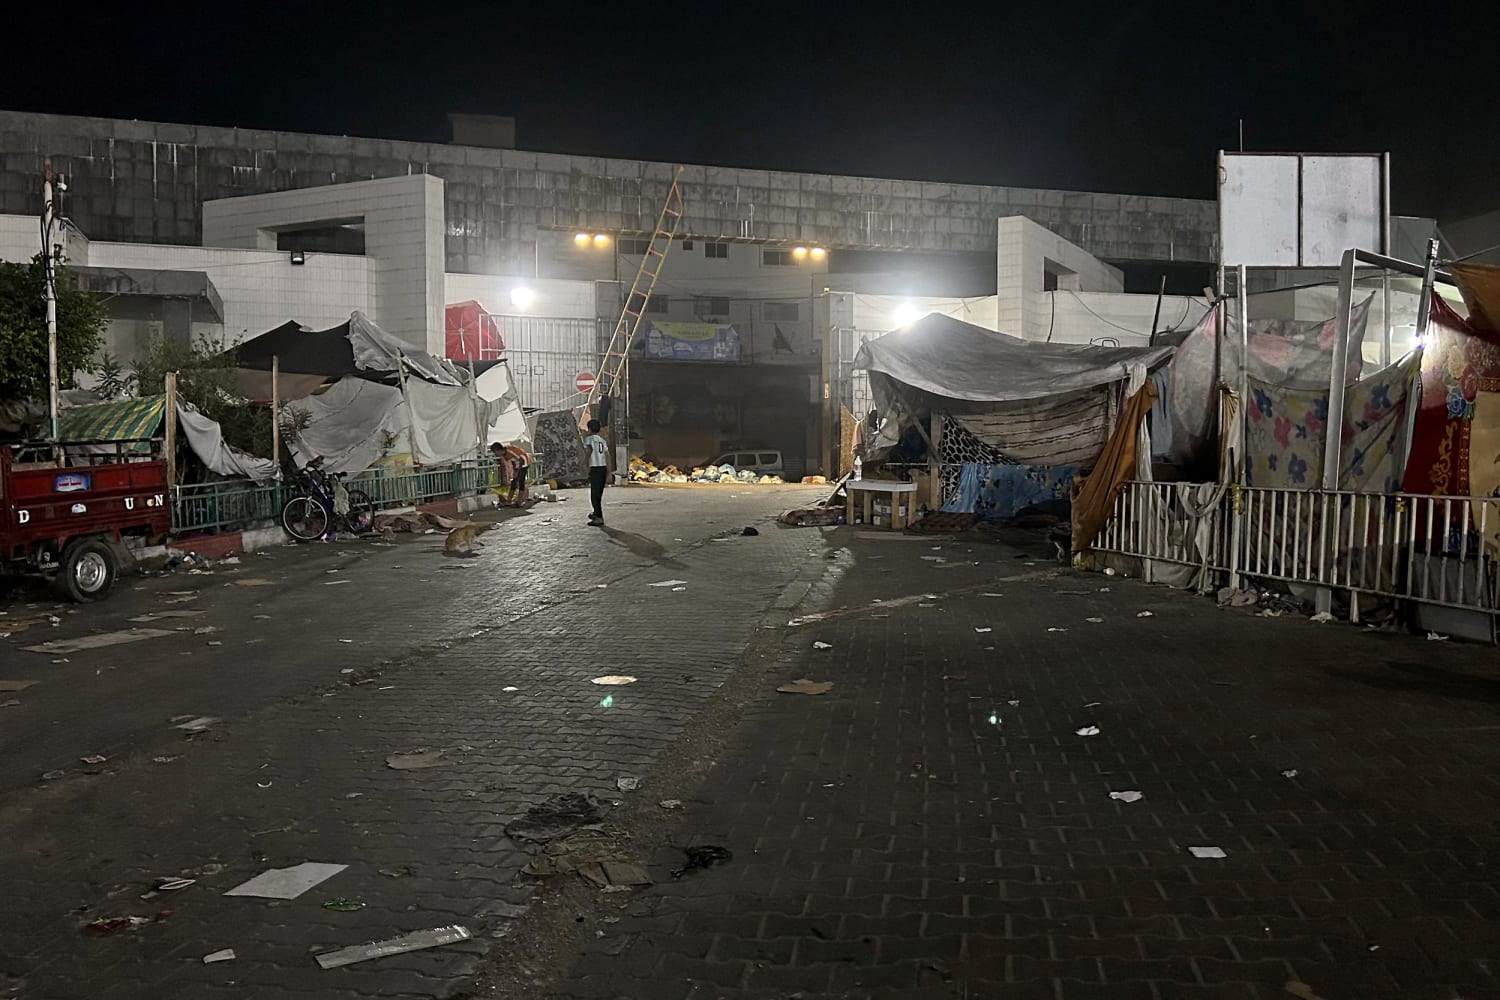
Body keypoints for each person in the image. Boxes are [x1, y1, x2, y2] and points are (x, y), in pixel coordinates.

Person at [582, 419, 609, 525]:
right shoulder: (602, 440)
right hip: (602, 468)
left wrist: (584, 462)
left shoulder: (588, 440)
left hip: (595, 468)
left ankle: (598, 516)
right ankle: (596, 513)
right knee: (599, 493)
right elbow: (607, 456)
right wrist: (609, 472)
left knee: (594, 495)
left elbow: (589, 450)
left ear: (590, 429)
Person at [501, 442, 531, 507]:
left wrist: (517, 471)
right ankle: (509, 500)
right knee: (514, 481)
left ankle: (520, 500)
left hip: (524, 462)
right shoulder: (504, 455)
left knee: (521, 481)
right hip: (518, 464)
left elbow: (521, 460)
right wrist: (514, 471)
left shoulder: (510, 451)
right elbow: (513, 462)